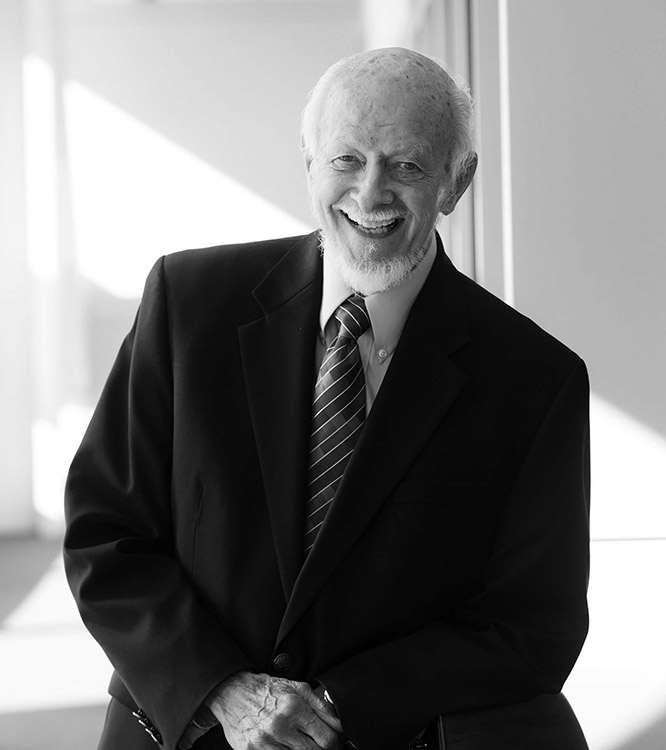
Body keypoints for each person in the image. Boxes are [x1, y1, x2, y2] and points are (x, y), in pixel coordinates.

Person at [64, 47, 590, 750]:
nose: (371, 193)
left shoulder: (535, 379)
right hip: (184, 726)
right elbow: (106, 532)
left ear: (456, 182)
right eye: (347, 159)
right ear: (310, 162)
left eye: (407, 166)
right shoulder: (187, 306)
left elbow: (534, 624)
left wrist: (337, 706)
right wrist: (225, 689)